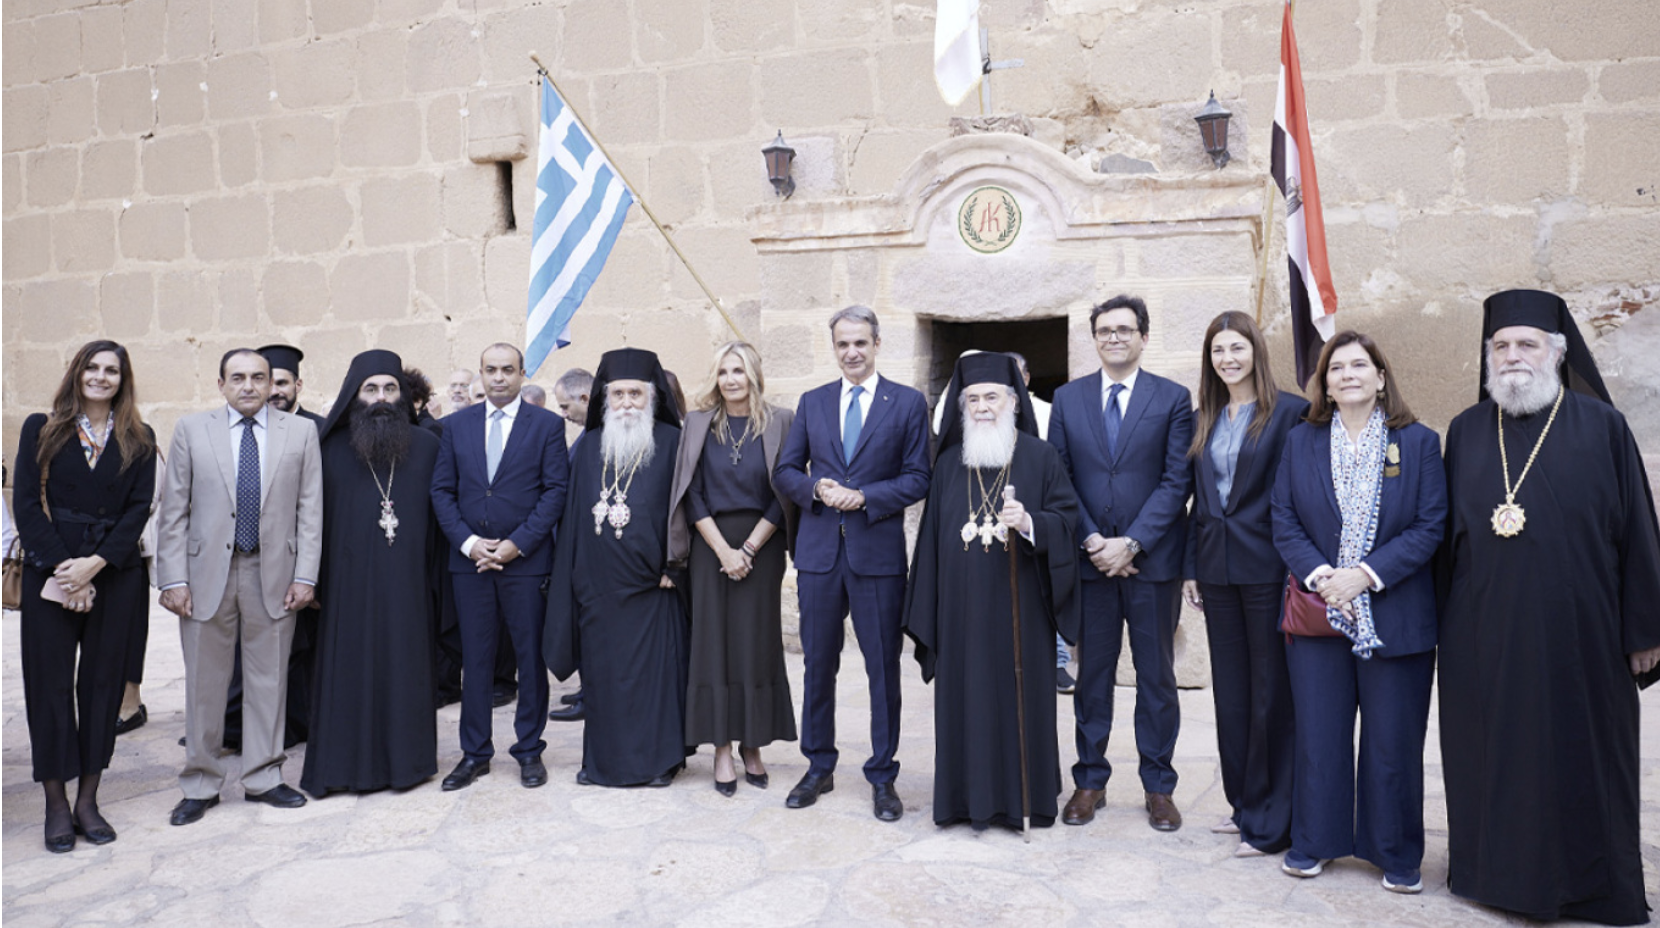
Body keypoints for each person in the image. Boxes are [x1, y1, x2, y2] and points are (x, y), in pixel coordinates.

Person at [1439, 290, 1660, 925]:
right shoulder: (1466, 430)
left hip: (1584, 632)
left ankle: (1591, 887)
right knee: (1494, 757)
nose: (1513, 356)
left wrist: (1644, 628)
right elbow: (1444, 542)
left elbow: (1639, 534)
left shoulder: (1603, 426)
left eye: (1527, 344)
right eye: (1501, 345)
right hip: (1485, 635)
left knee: (1584, 754)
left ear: (1557, 353)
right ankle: (1497, 879)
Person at [1270, 330, 1445, 892]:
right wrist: (1325, 578)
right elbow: (1283, 519)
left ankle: (1395, 851)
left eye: (1359, 365)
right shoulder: (1301, 441)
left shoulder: (1418, 443)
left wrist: (1363, 576)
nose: (1347, 375)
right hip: (1320, 613)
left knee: (1393, 741)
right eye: (1336, 368)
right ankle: (1314, 841)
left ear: (1381, 377)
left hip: (1396, 612)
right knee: (1319, 737)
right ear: (1325, 384)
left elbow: (1430, 526)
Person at [903, 353, 1080, 830]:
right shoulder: (947, 466)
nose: (983, 407)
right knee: (966, 702)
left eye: (992, 397)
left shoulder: (1041, 457)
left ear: (1014, 402)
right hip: (959, 614)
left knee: (1022, 701)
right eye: (973, 399)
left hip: (1023, 610)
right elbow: (930, 547)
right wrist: (929, 612)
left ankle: (1028, 798)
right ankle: (963, 802)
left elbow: (1067, 521)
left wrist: (1031, 523)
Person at [774, 305, 931, 822]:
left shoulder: (906, 403)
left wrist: (864, 497)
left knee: (882, 668)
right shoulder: (813, 402)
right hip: (819, 556)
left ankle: (883, 775)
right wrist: (816, 488)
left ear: (877, 344)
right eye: (843, 343)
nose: (852, 352)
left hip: (877, 557)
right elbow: (785, 471)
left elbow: (918, 477)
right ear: (834, 347)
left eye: (860, 342)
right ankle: (818, 766)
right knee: (818, 664)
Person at [156, 348, 323, 825]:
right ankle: (201, 783)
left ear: (272, 384)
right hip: (205, 575)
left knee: (269, 680)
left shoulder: (300, 432)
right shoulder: (192, 430)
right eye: (238, 378)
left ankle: (264, 777)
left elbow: (310, 510)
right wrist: (173, 578)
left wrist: (305, 575)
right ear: (221, 384)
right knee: (204, 685)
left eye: (258, 377)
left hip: (272, 574)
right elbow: (174, 510)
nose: (248, 386)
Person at [1048, 294, 1194, 832]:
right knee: (1092, 677)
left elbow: (1177, 481)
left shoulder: (1172, 398)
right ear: (1094, 339)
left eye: (1124, 329)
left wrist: (1131, 544)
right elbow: (1059, 477)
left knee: (1156, 677)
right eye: (1104, 330)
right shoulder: (1068, 399)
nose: (1113, 337)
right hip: (1090, 564)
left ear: (1143, 337)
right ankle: (1090, 780)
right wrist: (1093, 540)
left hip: (1152, 564)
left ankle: (1159, 786)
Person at [13, 341, 157, 852]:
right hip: (50, 571)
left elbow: (139, 509)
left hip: (113, 574)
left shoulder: (140, 437)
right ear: (76, 373)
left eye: (111, 370)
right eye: (91, 367)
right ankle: (55, 803)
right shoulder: (41, 428)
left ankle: (88, 800)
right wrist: (65, 571)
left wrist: (95, 565)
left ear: (123, 380)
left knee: (102, 686)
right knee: (49, 686)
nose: (100, 377)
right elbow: (25, 504)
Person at [1180, 311, 1307, 857]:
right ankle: (1243, 803)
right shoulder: (1203, 417)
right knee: (1231, 696)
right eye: (1218, 350)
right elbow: (1196, 500)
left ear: (1256, 350)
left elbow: (1300, 495)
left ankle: (1272, 819)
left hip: (1270, 569)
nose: (1227, 359)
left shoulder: (1291, 413)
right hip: (1216, 571)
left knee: (1270, 694)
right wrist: (1190, 565)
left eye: (1237, 348)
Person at [545, 348, 690, 787]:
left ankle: (660, 762)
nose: (627, 402)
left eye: (635, 394)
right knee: (603, 679)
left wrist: (676, 565)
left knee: (654, 679)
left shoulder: (673, 442)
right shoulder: (590, 445)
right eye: (618, 394)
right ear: (604, 399)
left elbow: (686, 510)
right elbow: (574, 516)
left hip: (654, 587)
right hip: (598, 587)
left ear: (652, 397)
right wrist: (573, 575)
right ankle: (602, 763)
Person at [300, 351, 440, 797]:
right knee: (348, 672)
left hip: (409, 587)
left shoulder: (429, 448)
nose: (381, 398)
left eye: (390, 388)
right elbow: (307, 521)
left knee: (405, 669)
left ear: (403, 396)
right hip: (346, 587)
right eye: (371, 389)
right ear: (353, 395)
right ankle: (343, 768)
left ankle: (407, 764)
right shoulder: (327, 450)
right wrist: (312, 580)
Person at [430, 343, 569, 791]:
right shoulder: (455, 426)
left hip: (525, 564)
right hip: (470, 564)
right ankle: (475, 753)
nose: (499, 378)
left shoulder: (546, 425)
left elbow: (555, 491)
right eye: (491, 369)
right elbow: (442, 491)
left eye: (508, 370)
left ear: (522, 373)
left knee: (529, 658)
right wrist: (470, 544)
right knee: (476, 659)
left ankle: (529, 749)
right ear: (481, 373)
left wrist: (517, 545)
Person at [668, 342, 798, 795]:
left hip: (763, 546)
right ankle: (721, 747)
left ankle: (752, 744)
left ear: (754, 375)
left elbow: (784, 489)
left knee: (756, 644)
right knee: (713, 645)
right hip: (711, 548)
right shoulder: (698, 423)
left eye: (738, 371)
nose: (730, 380)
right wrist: (724, 551)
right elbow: (691, 491)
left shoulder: (781, 421)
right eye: (723, 371)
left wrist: (749, 548)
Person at [547, 365, 596, 722]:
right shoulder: (587, 435)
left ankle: (591, 695)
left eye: (566, 406)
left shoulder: (596, 436)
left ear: (584, 397)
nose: (564, 414)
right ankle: (585, 689)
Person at [260, 344, 325, 427]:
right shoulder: (251, 429)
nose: (274, 392)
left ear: (298, 385)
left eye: (281, 383)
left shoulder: (320, 428)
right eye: (267, 385)